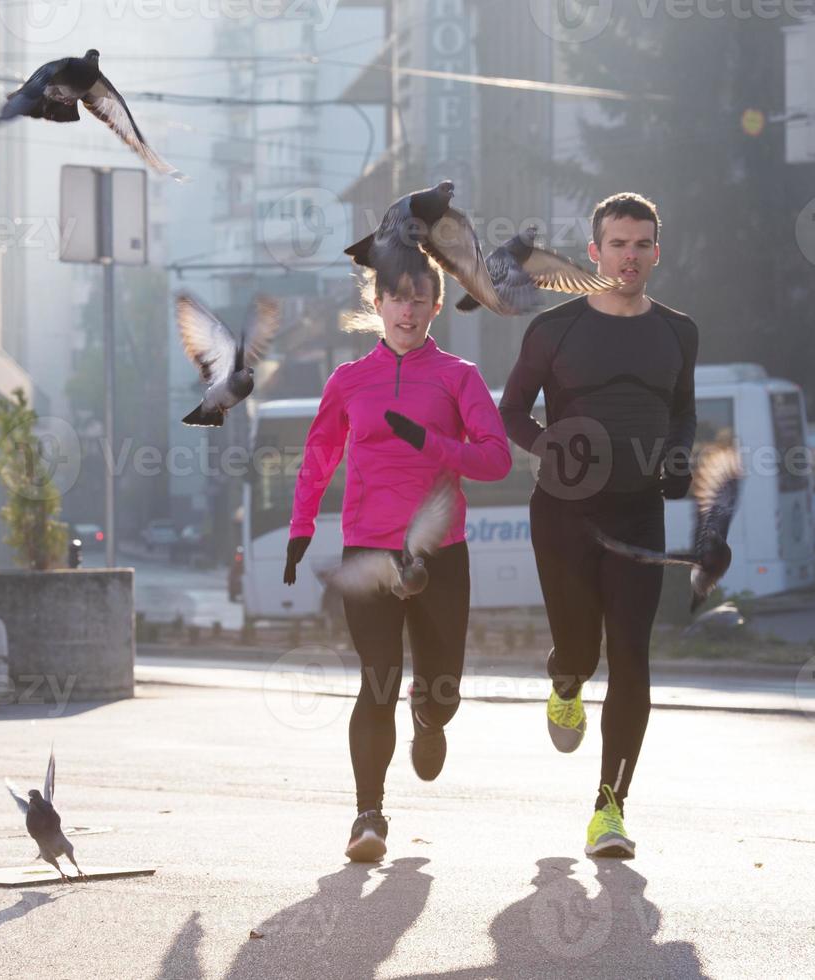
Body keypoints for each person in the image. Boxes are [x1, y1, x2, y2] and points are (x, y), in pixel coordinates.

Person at [285, 251, 512, 863]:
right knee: (375, 680)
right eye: (395, 297)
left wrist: (432, 443)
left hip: (442, 554)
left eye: (419, 299)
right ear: (377, 304)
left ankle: (430, 716)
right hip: (368, 549)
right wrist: (300, 527)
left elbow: (496, 459)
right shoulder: (347, 381)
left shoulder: (458, 376)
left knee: (443, 689)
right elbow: (319, 456)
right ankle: (368, 817)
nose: (406, 310)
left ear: (436, 306)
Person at [498, 193, 698, 859]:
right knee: (581, 654)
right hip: (563, 512)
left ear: (655, 252)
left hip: (638, 512)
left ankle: (608, 811)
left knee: (632, 658)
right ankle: (563, 679)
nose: (629, 255)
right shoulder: (554, 329)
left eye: (642, 244)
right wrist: (546, 448)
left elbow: (682, 411)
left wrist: (676, 459)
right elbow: (511, 414)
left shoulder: (677, 331)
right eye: (617, 243)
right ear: (594, 252)